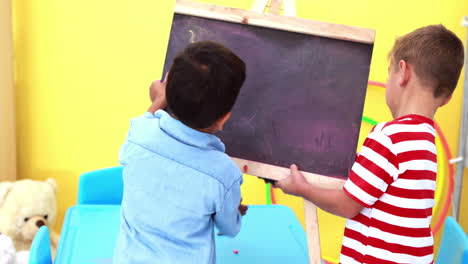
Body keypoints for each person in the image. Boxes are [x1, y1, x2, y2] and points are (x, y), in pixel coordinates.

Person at [275, 25, 465, 264]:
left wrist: (302, 189)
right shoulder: (426, 140)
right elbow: (384, 186)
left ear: (402, 72)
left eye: (389, 73)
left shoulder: (388, 136)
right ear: (447, 99)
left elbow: (347, 205)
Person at [113, 41, 248, 264]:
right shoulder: (224, 174)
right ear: (223, 118)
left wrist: (158, 101)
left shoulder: (138, 135)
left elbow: (144, 122)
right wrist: (231, 209)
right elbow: (230, 228)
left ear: (169, 93)